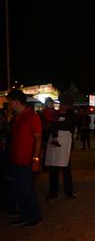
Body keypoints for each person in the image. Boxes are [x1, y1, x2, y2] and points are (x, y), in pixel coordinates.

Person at [6, 89, 43, 227]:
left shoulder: (32, 117)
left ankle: (35, 217)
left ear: (16, 102)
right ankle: (24, 216)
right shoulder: (18, 117)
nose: (9, 105)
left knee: (27, 191)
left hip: (27, 161)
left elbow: (38, 139)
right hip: (16, 160)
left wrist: (36, 159)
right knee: (19, 190)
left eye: (10, 102)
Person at [45, 96, 77, 200]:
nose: (61, 106)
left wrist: (53, 125)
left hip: (64, 143)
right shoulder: (57, 113)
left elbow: (67, 126)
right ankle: (53, 191)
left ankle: (68, 191)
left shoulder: (71, 114)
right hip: (56, 142)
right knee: (53, 168)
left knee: (65, 168)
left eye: (63, 104)